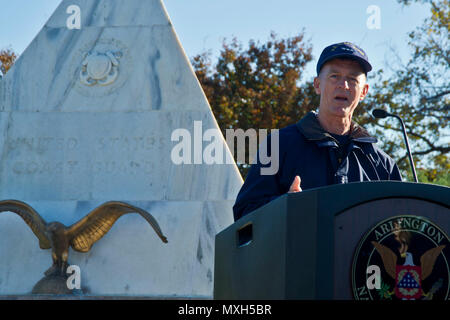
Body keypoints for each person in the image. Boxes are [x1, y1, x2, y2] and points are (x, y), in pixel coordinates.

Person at [233, 42, 402, 221]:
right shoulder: (277, 146)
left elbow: (401, 224)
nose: (344, 85)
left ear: (364, 91)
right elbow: (245, 214)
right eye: (334, 76)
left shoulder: (382, 164)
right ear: (317, 85)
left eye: (352, 79)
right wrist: (286, 205)